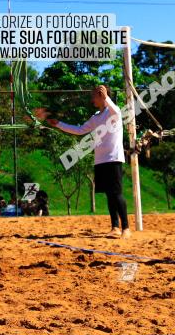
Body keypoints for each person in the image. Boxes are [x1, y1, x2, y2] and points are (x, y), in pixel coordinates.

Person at [37, 84, 129, 238]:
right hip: (100, 160)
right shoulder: (96, 117)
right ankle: (115, 227)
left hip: (114, 158)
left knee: (117, 193)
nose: (92, 98)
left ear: (102, 95)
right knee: (109, 194)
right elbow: (79, 130)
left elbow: (116, 111)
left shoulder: (114, 112)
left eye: (94, 95)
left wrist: (106, 97)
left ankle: (126, 228)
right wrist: (58, 124)